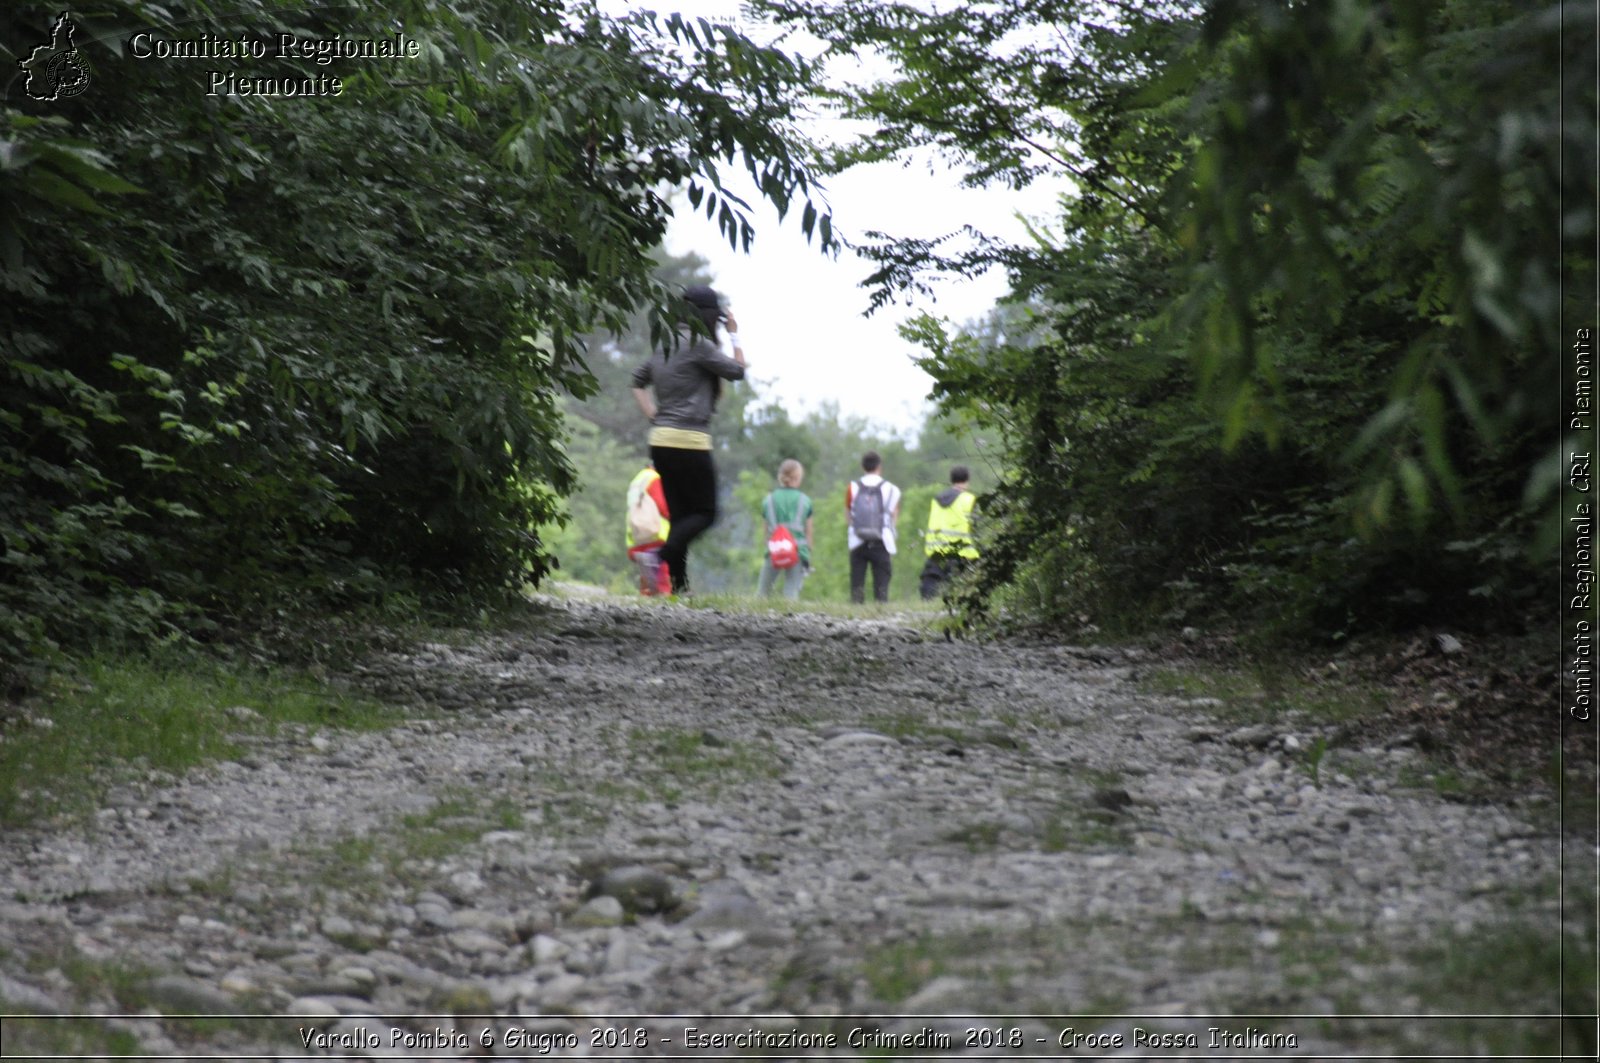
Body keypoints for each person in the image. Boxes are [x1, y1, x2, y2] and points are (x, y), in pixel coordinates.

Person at [630, 285, 747, 597]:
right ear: (709, 316)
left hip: (660, 441)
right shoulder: (700, 344)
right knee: (706, 513)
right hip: (691, 442)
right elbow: (737, 371)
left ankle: (680, 589)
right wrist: (734, 335)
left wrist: (653, 414)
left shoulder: (664, 343)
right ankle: (659, 556)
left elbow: (637, 380)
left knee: (682, 516)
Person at [845, 450, 901, 604]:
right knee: (882, 581)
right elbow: (893, 514)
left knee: (857, 581)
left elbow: (848, 514)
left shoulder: (852, 487)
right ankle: (880, 609)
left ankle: (856, 611)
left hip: (857, 539)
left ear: (862, 466)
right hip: (882, 539)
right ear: (879, 466)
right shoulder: (891, 488)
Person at [757, 458, 815, 600]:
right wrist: (808, 552)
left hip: (774, 550)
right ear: (797, 477)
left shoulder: (768, 500)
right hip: (798, 551)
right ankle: (789, 619)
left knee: (763, 592)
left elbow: (765, 532)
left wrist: (769, 546)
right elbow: (809, 532)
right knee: (791, 592)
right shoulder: (805, 501)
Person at [920, 465, 979, 600]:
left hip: (936, 550)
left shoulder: (936, 499)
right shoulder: (969, 499)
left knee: (930, 586)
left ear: (951, 480)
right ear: (967, 480)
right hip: (960, 551)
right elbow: (976, 527)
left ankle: (926, 607)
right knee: (961, 589)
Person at [625, 461, 671, 596]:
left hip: (637, 533)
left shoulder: (637, 480)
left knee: (647, 568)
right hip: (655, 531)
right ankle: (664, 594)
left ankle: (647, 594)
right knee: (661, 564)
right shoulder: (654, 478)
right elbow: (662, 506)